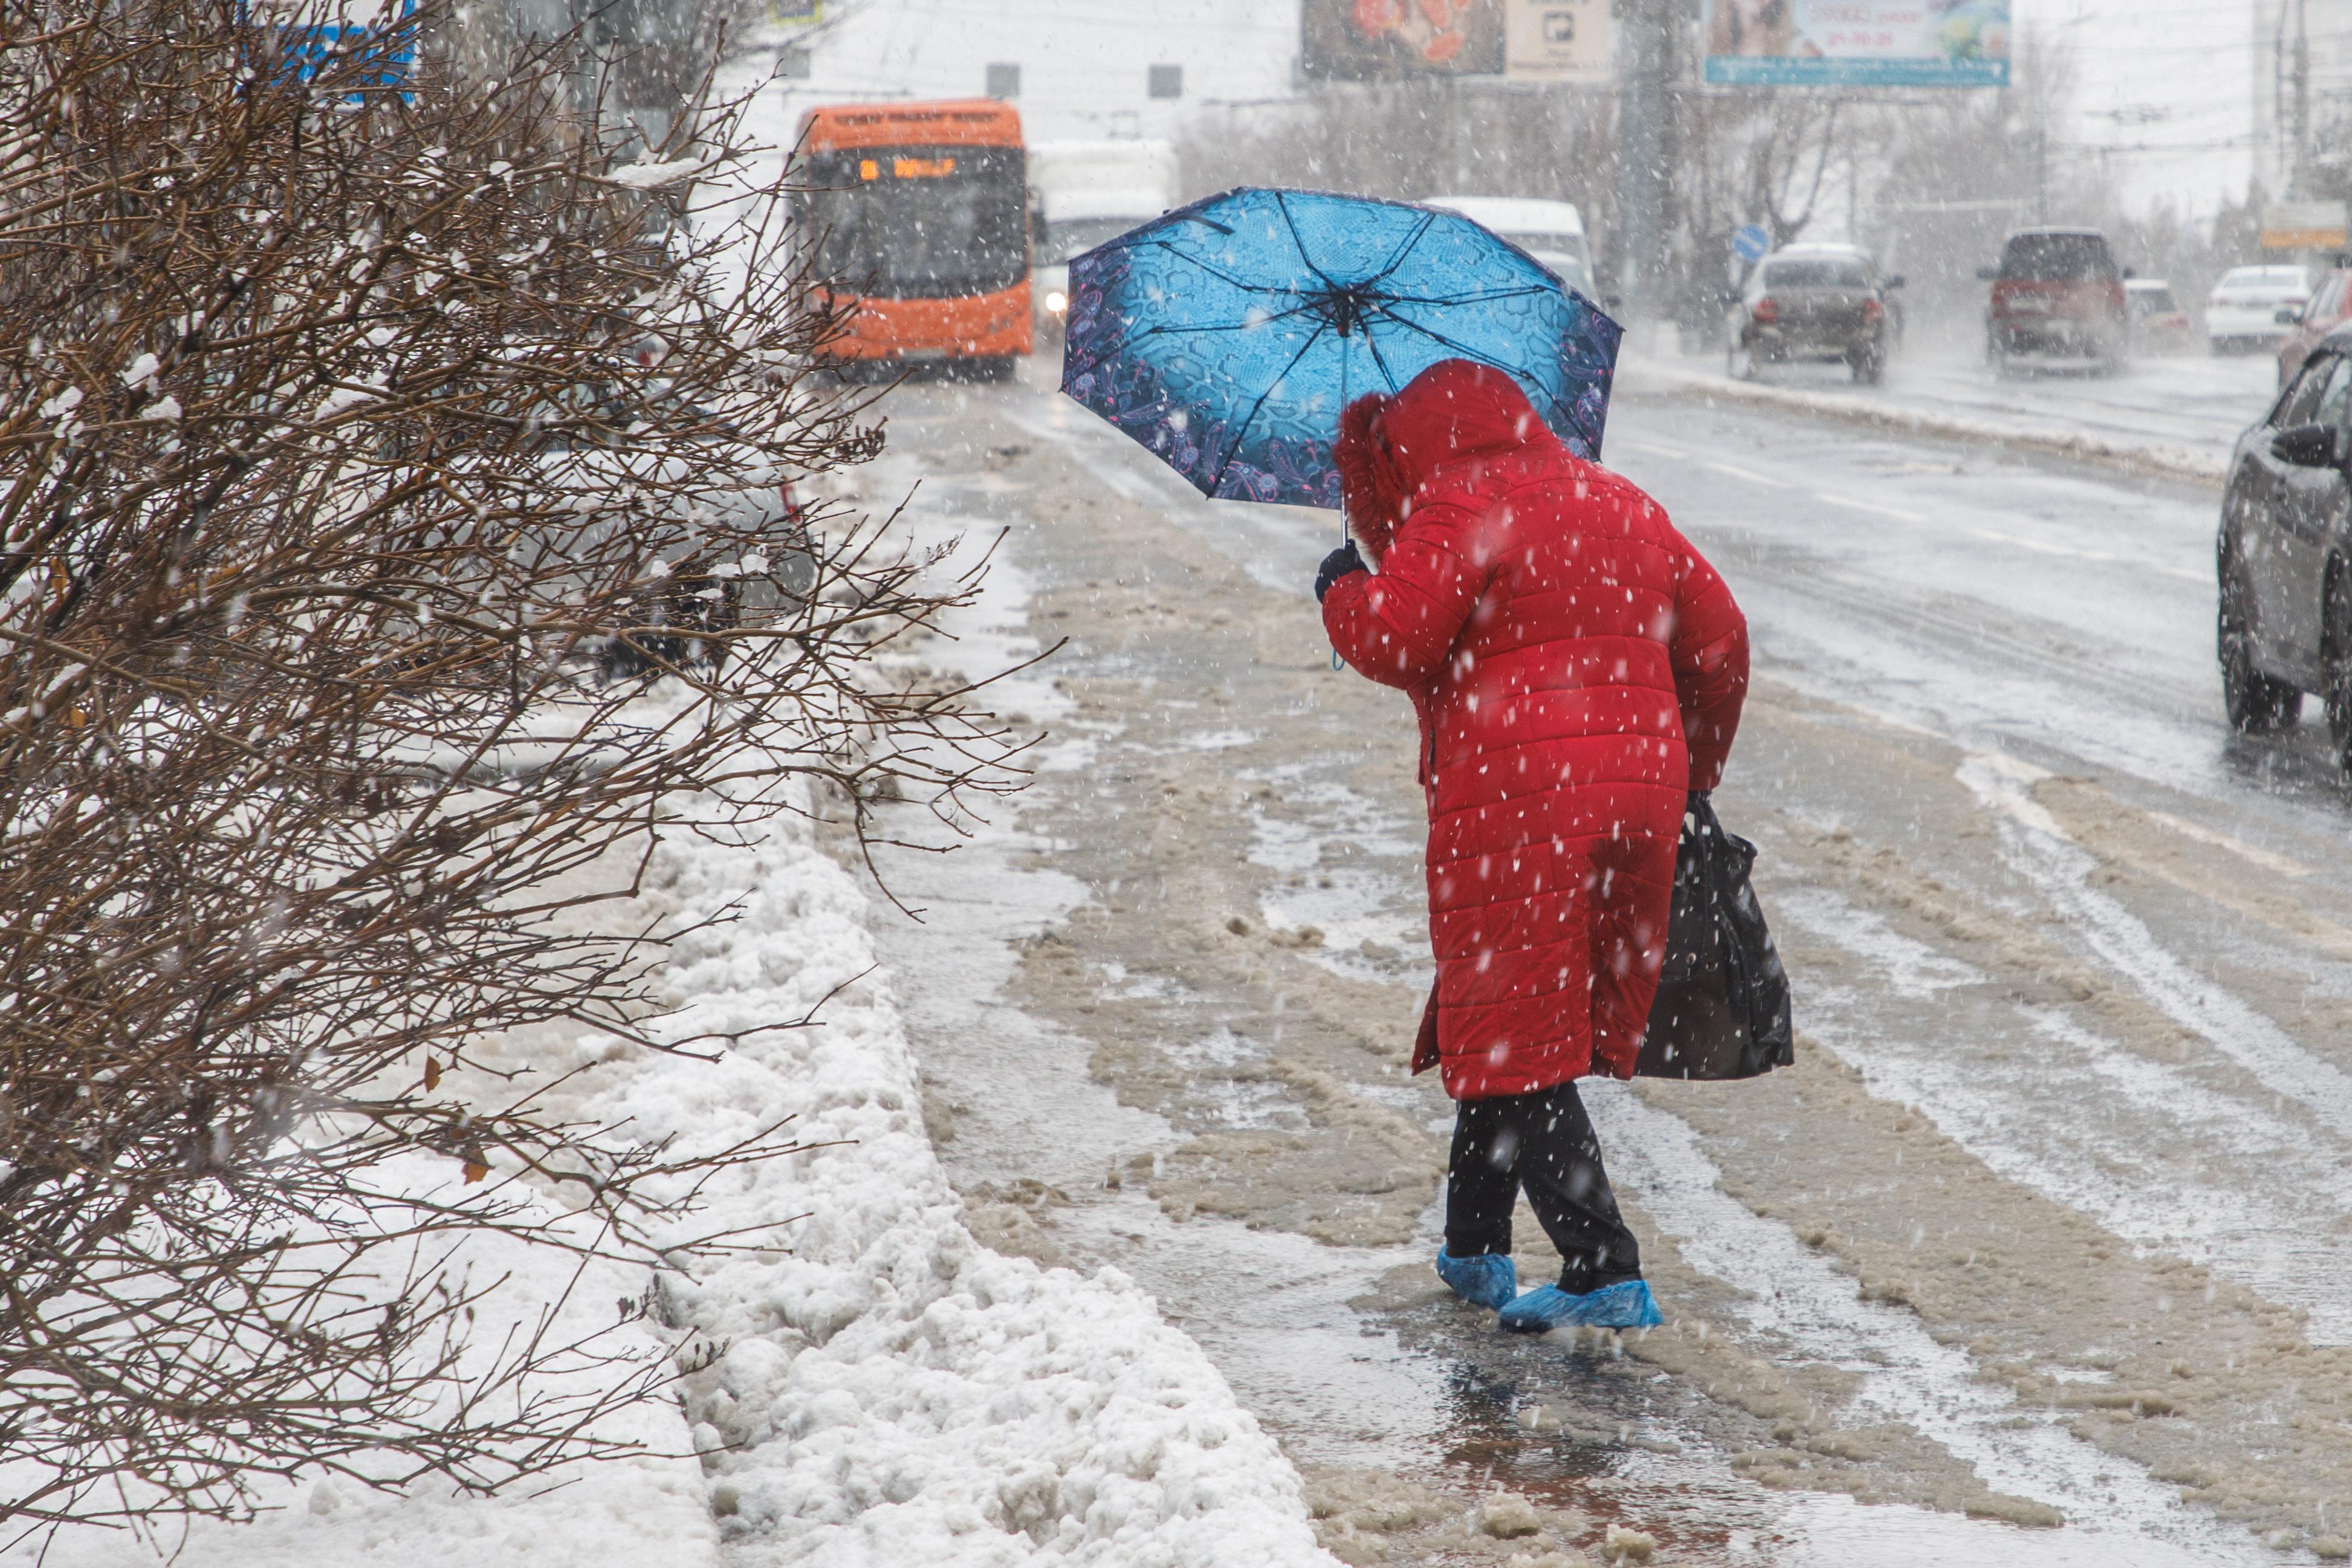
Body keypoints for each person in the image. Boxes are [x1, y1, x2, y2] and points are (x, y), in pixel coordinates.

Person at [1315, 358, 1749, 1332]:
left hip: (1521, 797)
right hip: (1638, 792)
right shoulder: (1619, 497)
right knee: (1511, 1016)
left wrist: (1343, 587)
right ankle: (1473, 1247)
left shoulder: (1459, 499)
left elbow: (1399, 634)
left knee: (1518, 1039)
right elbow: (1722, 641)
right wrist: (1694, 770)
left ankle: (1603, 1265)